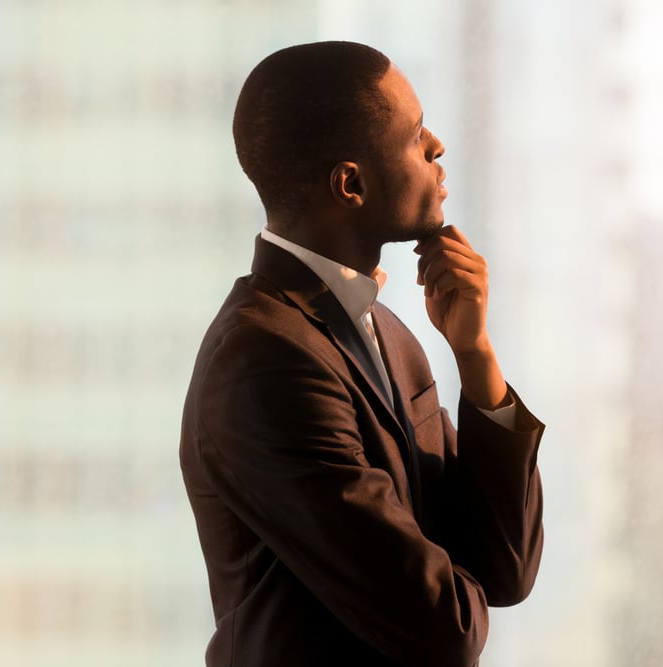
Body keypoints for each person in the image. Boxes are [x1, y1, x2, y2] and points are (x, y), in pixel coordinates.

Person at [179, 41, 545, 666]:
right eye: (415, 135)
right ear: (350, 184)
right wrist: (455, 574)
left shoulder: (393, 337)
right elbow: (443, 628)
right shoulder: (263, 361)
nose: (437, 149)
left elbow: (505, 567)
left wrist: (475, 356)